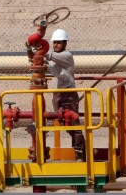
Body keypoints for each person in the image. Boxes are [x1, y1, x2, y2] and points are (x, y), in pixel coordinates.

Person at [47, 28, 86, 161]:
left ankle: (80, 152)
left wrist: (38, 50)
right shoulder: (53, 57)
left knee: (73, 124)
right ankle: (84, 148)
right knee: (65, 124)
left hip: (68, 94)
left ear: (65, 44)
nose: (56, 45)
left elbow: (47, 56)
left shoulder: (66, 56)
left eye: (59, 42)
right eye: (54, 42)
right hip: (57, 95)